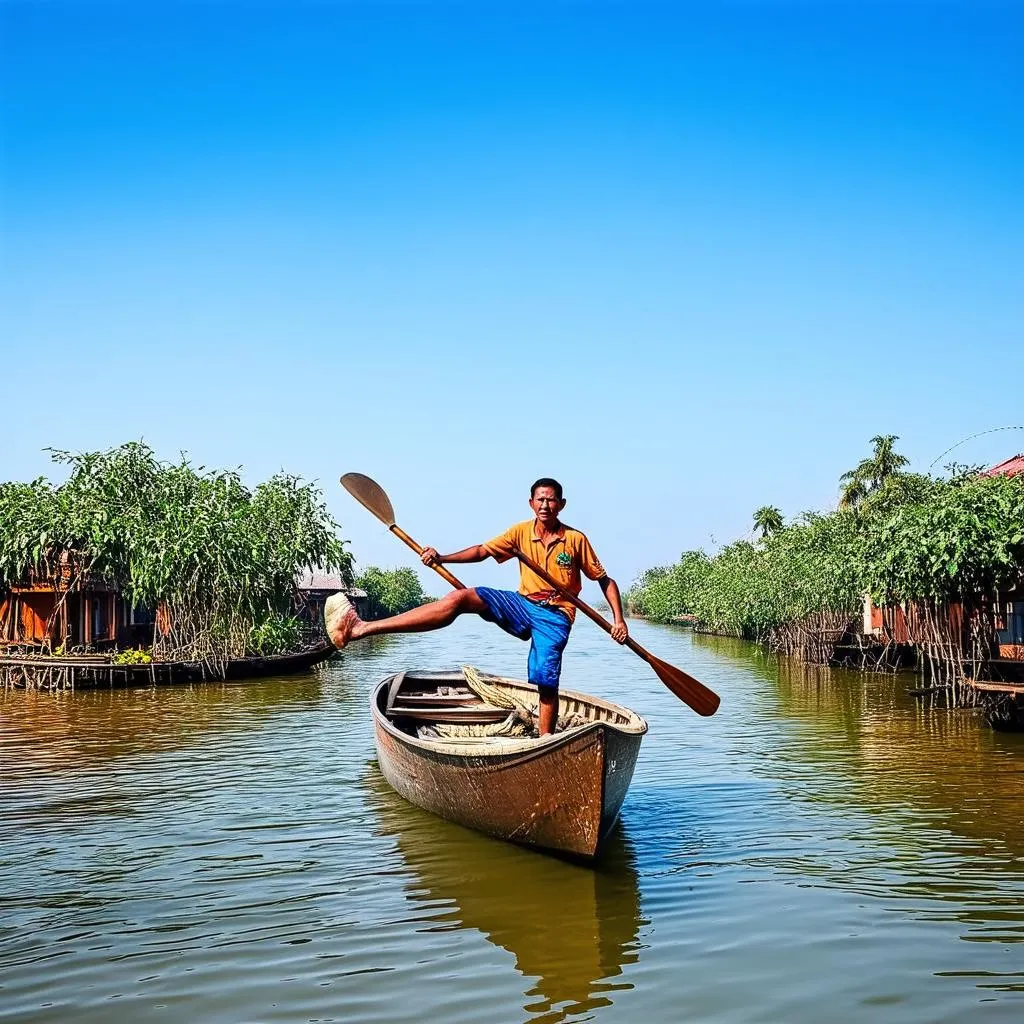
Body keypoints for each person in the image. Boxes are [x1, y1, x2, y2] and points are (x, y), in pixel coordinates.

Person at [325, 477, 628, 735]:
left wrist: (619, 620)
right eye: (540, 500)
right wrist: (442, 558)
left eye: (551, 500)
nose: (545, 505)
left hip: (556, 614)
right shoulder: (520, 532)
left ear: (561, 505)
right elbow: (482, 551)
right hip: (522, 604)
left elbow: (604, 580)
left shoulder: (575, 539)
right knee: (461, 597)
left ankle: (545, 738)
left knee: (546, 681)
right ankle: (361, 628)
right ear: (531, 503)